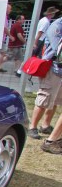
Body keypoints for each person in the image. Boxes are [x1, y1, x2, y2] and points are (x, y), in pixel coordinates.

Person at [39, 18, 62, 151]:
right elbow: (57, 50)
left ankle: (51, 134)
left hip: (58, 70)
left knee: (54, 102)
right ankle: (51, 140)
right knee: (44, 100)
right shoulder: (57, 26)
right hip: (54, 69)